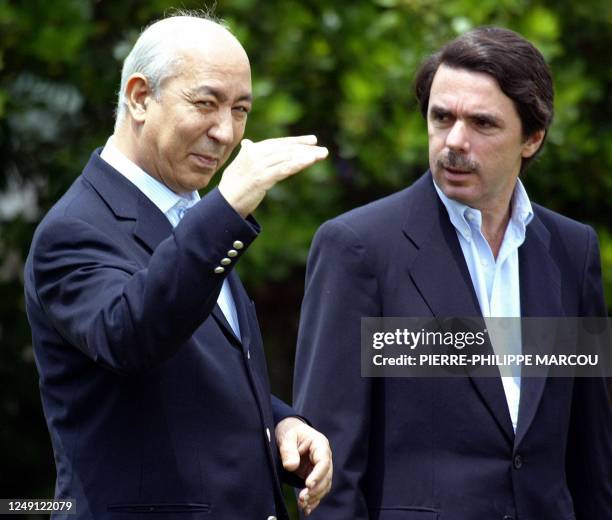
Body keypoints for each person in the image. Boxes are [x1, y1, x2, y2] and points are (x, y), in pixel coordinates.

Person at [293, 26, 611, 519]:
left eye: (482, 123)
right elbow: (330, 469)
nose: (454, 142)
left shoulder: (573, 249)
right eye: (442, 117)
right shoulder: (358, 249)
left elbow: (592, 453)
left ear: (532, 138)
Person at [24, 13, 332, 520]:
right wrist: (227, 207)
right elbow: (132, 335)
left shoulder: (188, 213)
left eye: (240, 110)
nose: (226, 131)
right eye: (206, 104)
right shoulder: (74, 229)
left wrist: (280, 423)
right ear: (141, 97)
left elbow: (197, 372)